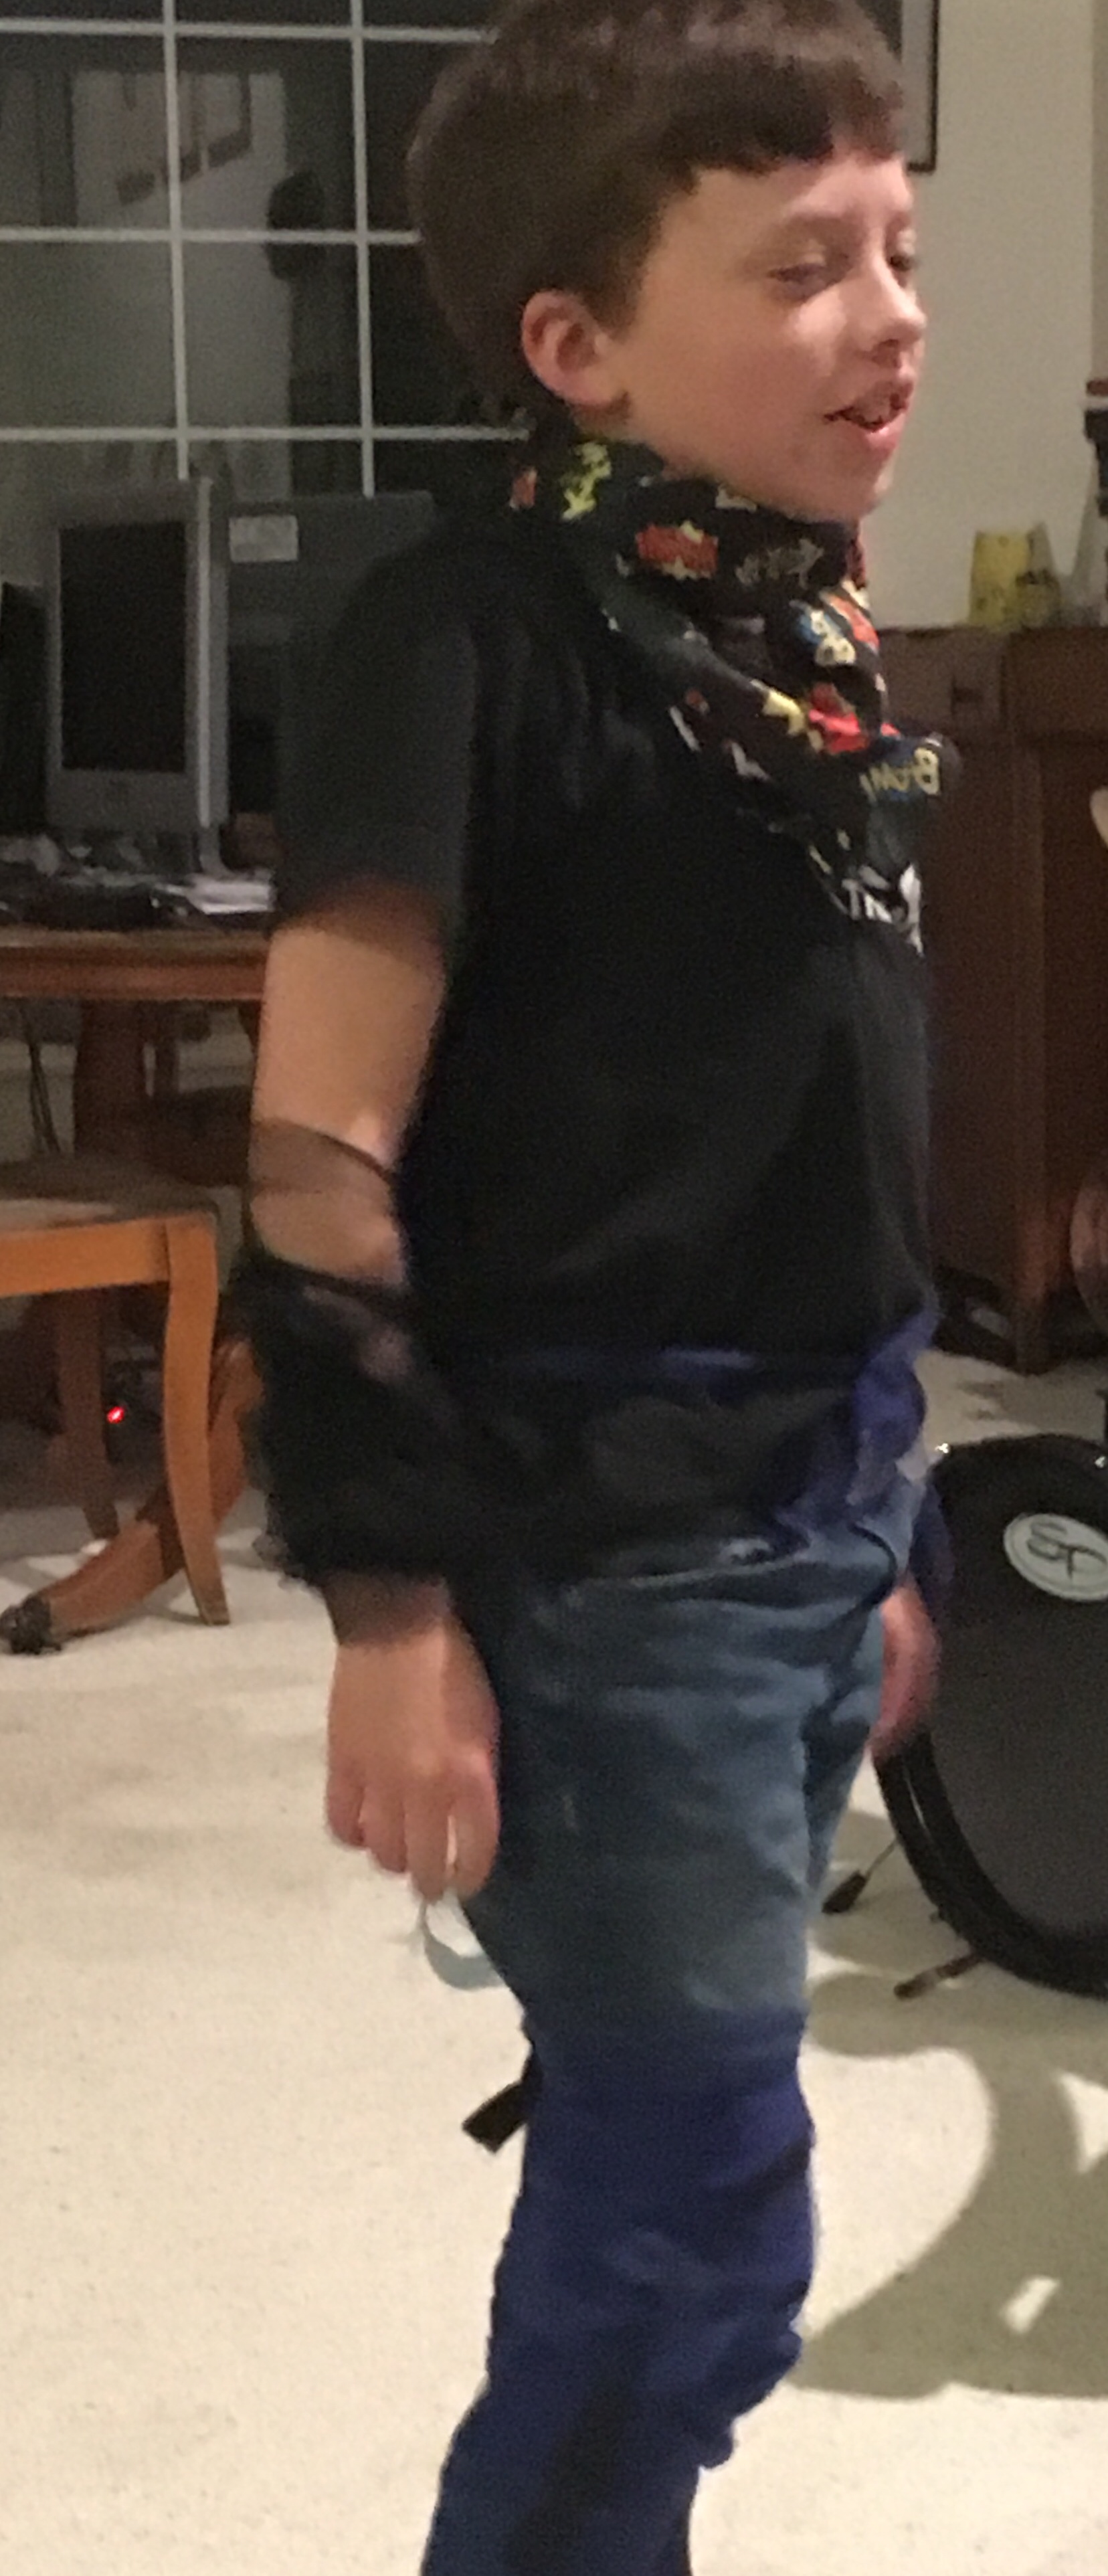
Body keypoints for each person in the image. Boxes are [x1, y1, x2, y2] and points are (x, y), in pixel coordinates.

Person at [238, 3, 953, 2567]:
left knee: (676, 2199)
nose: (892, 316)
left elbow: (799, 1139)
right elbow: (317, 1157)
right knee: (685, 2249)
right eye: (802, 265)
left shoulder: (802, 644)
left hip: (811, 1506)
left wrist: (886, 1526)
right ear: (576, 343)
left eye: (902, 248)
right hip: (609, 1552)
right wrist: (392, 1606)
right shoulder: (466, 635)